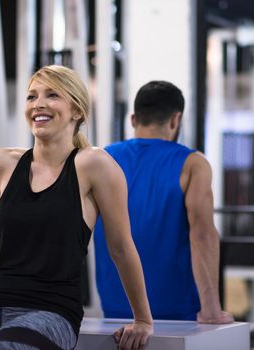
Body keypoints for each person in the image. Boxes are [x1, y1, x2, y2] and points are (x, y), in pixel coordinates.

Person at [0, 65, 153, 350]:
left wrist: (143, 319)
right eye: (31, 96)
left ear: (77, 111)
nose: (39, 104)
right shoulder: (0, 163)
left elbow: (121, 246)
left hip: (50, 311)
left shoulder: (94, 164)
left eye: (52, 95)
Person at [94, 80, 234, 324]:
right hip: (176, 310)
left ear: (133, 119)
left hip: (116, 307)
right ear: (175, 120)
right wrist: (211, 309)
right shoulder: (192, 163)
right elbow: (203, 235)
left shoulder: (102, 159)